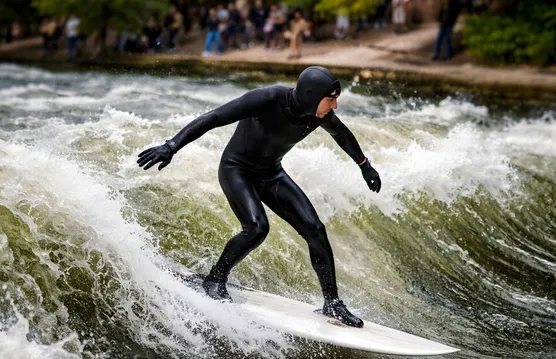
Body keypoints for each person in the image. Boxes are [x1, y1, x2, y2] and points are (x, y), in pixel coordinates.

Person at [136, 66, 381, 328]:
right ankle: (215, 279)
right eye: (331, 99)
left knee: (316, 230)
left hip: (271, 174)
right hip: (237, 170)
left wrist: (364, 165)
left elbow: (341, 134)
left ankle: (332, 303)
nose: (335, 105)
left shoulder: (318, 114)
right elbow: (214, 117)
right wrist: (171, 146)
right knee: (256, 228)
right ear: (312, 95)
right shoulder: (266, 99)